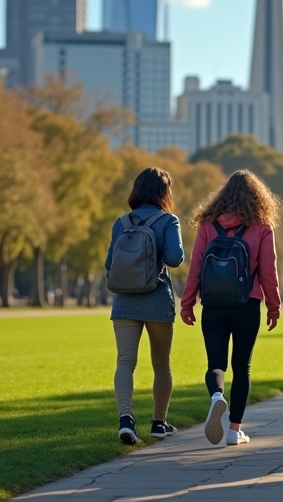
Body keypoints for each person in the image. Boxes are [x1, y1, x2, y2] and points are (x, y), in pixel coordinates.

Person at [181, 170, 281, 448]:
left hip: (213, 305)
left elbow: (196, 268)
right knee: (242, 367)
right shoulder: (261, 226)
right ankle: (235, 431)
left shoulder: (208, 225)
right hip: (247, 303)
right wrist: (274, 306)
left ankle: (216, 396)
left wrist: (187, 302)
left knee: (216, 364)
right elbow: (268, 272)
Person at [104, 167, 185, 445]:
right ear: (164, 192)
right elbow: (175, 259)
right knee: (161, 365)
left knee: (125, 361)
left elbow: (108, 264)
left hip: (124, 301)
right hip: (157, 299)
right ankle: (159, 423)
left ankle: (126, 420)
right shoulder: (168, 221)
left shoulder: (121, 222)